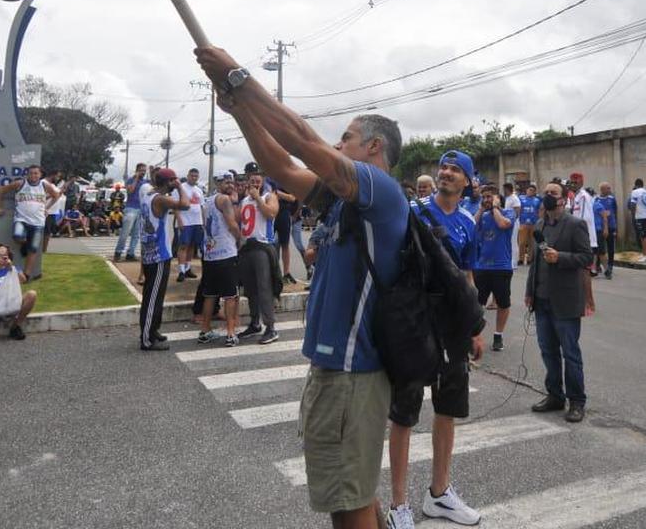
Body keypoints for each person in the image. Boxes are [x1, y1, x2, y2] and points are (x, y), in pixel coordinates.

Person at [195, 45, 408, 529]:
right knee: (348, 493)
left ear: (374, 148)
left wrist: (240, 80)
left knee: (348, 503)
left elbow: (304, 142)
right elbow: (282, 167)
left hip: (355, 372)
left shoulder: (381, 192)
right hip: (333, 369)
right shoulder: (340, 201)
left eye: (348, 137)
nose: (337, 144)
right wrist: (240, 109)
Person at [389, 149, 485, 528]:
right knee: (404, 413)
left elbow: (466, 277)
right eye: (443, 167)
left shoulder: (468, 221)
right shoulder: (414, 211)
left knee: (447, 410)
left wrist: (475, 326)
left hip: (453, 327)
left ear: (467, 181)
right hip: (415, 322)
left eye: (455, 170)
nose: (445, 173)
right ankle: (399, 506)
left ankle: (439, 494)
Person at [526, 180, 592, 423]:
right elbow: (536, 261)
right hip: (542, 299)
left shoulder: (575, 225)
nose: (548, 196)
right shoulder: (540, 224)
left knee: (570, 353)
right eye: (546, 192)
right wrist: (530, 290)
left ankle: (577, 401)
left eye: (553, 193)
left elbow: (586, 257)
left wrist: (560, 257)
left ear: (564, 198)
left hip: (565, 300)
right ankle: (555, 395)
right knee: (547, 350)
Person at [138, 167, 188, 351]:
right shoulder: (160, 199)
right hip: (158, 254)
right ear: (167, 182)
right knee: (152, 298)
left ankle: (153, 331)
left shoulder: (149, 195)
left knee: (155, 296)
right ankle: (147, 339)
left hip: (151, 252)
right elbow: (185, 204)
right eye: (172, 181)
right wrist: (180, 187)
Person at [0, 165, 60, 281]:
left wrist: (46, 208)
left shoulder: (44, 185)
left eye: (36, 173)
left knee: (33, 249)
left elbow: (56, 195)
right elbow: (0, 190)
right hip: (21, 219)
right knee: (17, 236)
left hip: (38, 222)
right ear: (27, 174)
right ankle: (24, 244)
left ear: (40, 175)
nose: (33, 175)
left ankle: (26, 275)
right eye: (31, 173)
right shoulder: (20, 184)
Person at [237, 167, 281, 344]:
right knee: (250, 288)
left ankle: (270, 327)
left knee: (264, 288)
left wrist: (257, 198)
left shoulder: (269, 196)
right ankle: (255, 322)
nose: (255, 183)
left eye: (258, 179)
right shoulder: (244, 200)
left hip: (262, 247)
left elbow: (271, 214)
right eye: (252, 180)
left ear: (262, 181)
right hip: (247, 247)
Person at [201, 173, 242, 346]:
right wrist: (240, 239)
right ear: (218, 183)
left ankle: (205, 330)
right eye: (226, 182)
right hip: (226, 253)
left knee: (210, 295)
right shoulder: (224, 200)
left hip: (210, 254)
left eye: (231, 182)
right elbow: (232, 223)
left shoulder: (207, 201)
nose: (230, 185)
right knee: (230, 296)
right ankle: (231, 333)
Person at [474, 183, 515, 352]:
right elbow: (470, 226)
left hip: (502, 267)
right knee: (477, 304)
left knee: (503, 304)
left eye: (489, 197)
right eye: (483, 197)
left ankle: (498, 335)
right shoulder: (482, 215)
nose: (486, 200)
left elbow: (503, 224)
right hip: (482, 266)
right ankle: (474, 335)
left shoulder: (508, 212)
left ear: (497, 198)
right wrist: (481, 210)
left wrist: (496, 208)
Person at [113, 163, 149, 263]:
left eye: (144, 170)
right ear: (137, 170)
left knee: (136, 234)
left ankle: (130, 253)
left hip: (141, 209)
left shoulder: (145, 182)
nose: (143, 172)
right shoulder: (130, 180)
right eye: (141, 170)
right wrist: (136, 179)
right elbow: (130, 191)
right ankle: (118, 253)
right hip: (131, 209)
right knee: (125, 233)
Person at [175, 167, 205, 282]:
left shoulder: (199, 190)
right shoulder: (181, 188)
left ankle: (187, 268)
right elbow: (176, 206)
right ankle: (181, 271)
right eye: (192, 176)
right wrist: (179, 220)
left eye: (196, 176)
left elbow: (201, 207)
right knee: (183, 245)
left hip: (197, 222)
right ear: (188, 176)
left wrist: (203, 222)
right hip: (186, 222)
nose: (194, 178)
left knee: (192, 246)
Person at [593, 182, 617, 278]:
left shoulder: (612, 199)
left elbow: (614, 211)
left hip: (610, 226)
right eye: (608, 188)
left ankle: (610, 265)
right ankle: (598, 265)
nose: (609, 190)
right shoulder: (596, 200)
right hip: (600, 227)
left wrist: (615, 226)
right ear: (602, 189)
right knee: (599, 247)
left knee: (610, 246)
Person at [627, 178, 646, 262]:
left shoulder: (635, 192)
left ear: (635, 185)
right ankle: (645, 254)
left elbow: (633, 204)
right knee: (644, 235)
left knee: (644, 236)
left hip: (640, 216)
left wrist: (633, 215)